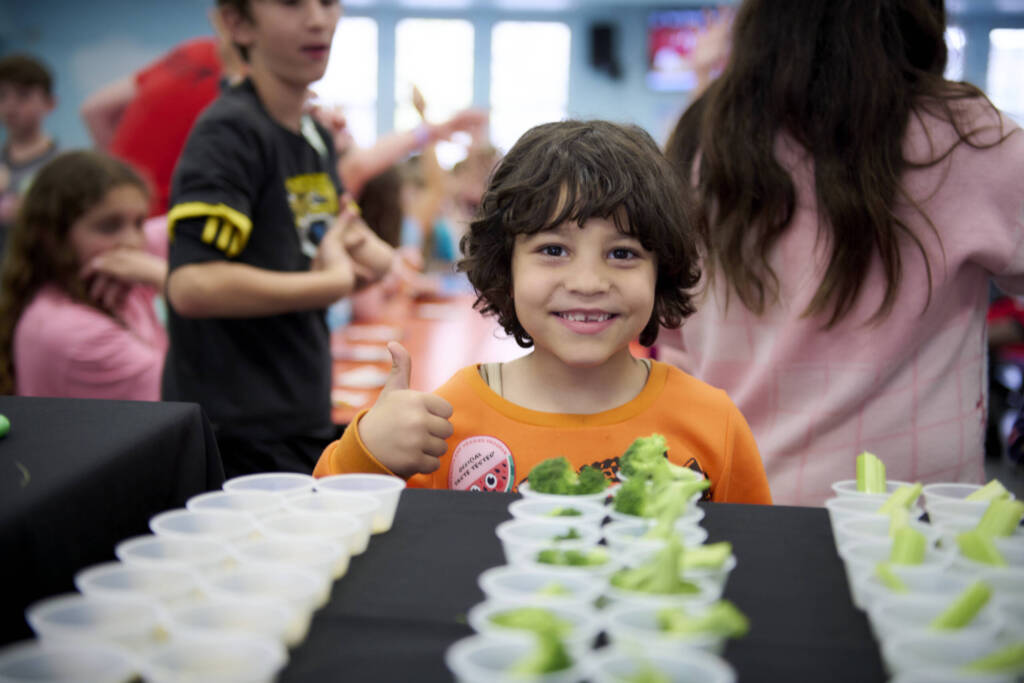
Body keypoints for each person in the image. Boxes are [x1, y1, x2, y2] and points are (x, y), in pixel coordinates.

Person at [660, 0, 1024, 506]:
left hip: (734, 496)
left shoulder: (704, 135)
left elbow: (670, 334)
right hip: (908, 518)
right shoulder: (967, 137)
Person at [314, 120, 772, 505]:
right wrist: (368, 450)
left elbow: (760, 565)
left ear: (662, 269)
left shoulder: (714, 423)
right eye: (554, 249)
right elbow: (325, 529)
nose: (588, 282)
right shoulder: (449, 419)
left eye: (623, 253)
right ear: (506, 267)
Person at [163, 0, 395, 479]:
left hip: (299, 407)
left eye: (328, 3)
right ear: (237, 23)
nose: (318, 19)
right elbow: (191, 285)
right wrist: (331, 284)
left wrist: (370, 258)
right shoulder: (229, 131)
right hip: (238, 428)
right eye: (292, 3)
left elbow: (323, 243)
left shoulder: (314, 133)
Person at [0, 151, 167, 400]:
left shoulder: (110, 269)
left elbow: (186, 223)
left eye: (139, 223)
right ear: (52, 236)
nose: (133, 242)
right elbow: (191, 404)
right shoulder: (77, 335)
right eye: (110, 226)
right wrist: (169, 282)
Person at [0, 54, 60, 249]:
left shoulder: (61, 165)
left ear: (50, 103)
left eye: (23, 95)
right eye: (1, 95)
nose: (10, 106)